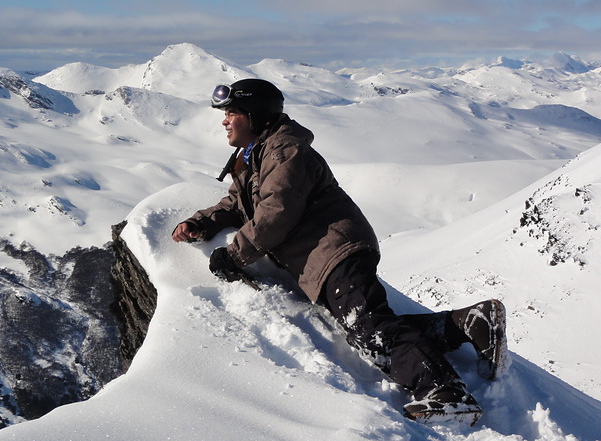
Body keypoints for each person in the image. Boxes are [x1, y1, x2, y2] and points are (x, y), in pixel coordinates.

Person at [172, 78, 508, 424]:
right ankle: (468, 324)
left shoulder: (284, 151)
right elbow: (235, 203)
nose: (224, 120)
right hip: (324, 256)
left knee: (371, 329)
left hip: (334, 250)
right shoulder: (256, 158)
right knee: (370, 327)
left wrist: (233, 254)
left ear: (255, 115)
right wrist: (201, 223)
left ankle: (446, 392)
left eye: (232, 112)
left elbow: (277, 211)